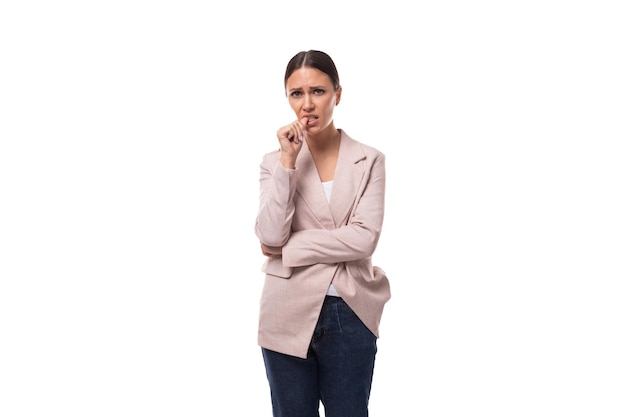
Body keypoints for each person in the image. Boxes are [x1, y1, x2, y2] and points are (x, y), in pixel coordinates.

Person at [254, 50, 391, 417]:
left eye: (317, 91)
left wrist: (288, 248)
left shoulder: (369, 159)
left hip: (350, 309)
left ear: (337, 94)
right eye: (296, 93)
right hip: (286, 306)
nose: (307, 104)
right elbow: (269, 231)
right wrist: (287, 161)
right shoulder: (274, 161)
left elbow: (364, 239)